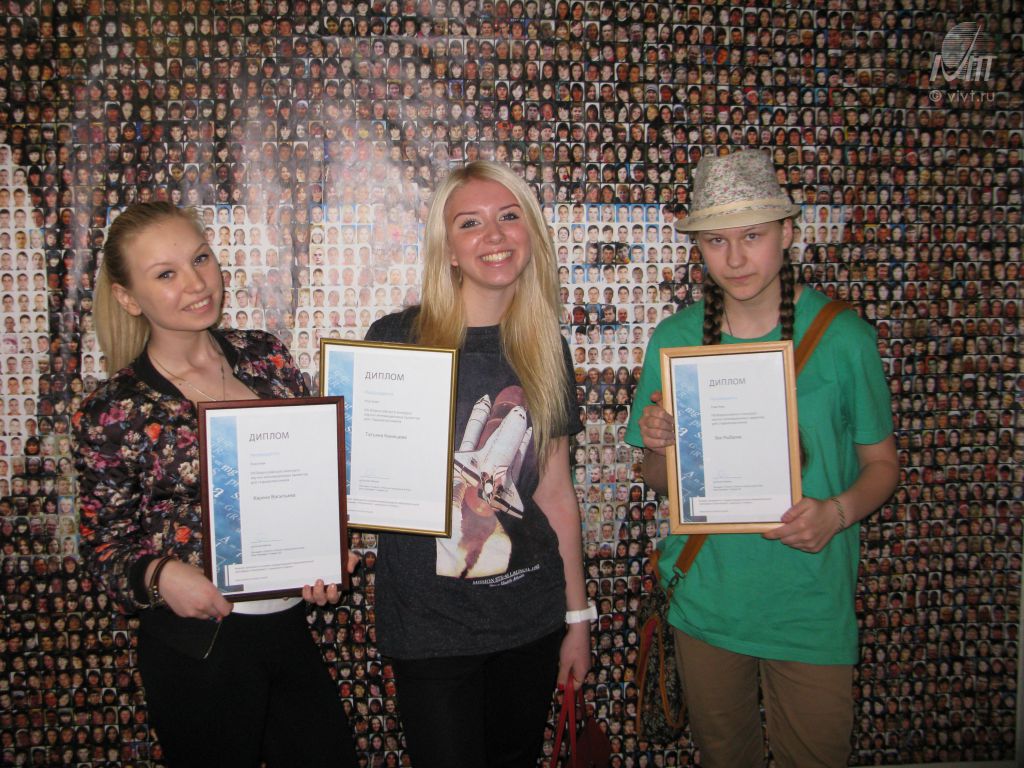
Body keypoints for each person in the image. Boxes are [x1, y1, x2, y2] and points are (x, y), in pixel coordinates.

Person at [627, 150, 898, 768]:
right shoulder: (675, 339)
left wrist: (835, 513)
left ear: (787, 233)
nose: (736, 258)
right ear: (699, 248)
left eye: (752, 235)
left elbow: (883, 465)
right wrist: (662, 447)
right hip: (708, 601)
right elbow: (657, 480)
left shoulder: (844, 337)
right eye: (716, 240)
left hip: (809, 601)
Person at [72, 202, 358, 767]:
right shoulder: (113, 410)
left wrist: (328, 548)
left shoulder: (265, 356)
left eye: (200, 258)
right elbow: (101, 544)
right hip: (199, 647)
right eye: (166, 273)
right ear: (129, 298)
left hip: (288, 627)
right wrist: (160, 574)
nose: (197, 282)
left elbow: (312, 477)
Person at [364, 161, 592, 767]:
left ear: (531, 233)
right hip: (430, 628)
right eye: (470, 223)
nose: (494, 235)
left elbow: (556, 494)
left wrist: (577, 616)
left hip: (530, 619)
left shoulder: (546, 349)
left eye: (509, 216)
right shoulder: (397, 339)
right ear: (448, 249)